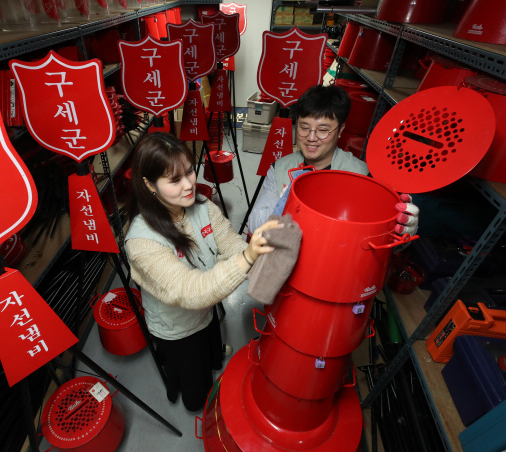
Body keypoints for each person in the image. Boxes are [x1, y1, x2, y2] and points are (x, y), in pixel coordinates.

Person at [124, 132, 280, 412]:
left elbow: (230, 242)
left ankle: (212, 358)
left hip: (207, 311)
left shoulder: (202, 206)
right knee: (196, 384)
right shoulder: (142, 241)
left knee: (211, 348)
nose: (188, 185)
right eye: (174, 180)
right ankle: (202, 407)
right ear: (149, 184)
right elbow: (190, 292)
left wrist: (254, 255)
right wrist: (247, 258)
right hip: (177, 327)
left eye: (189, 172)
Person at [247, 84, 419, 236]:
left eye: (323, 130)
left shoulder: (362, 175)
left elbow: (381, 238)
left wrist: (403, 228)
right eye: (304, 127)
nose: (311, 137)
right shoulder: (279, 168)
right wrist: (289, 201)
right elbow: (256, 226)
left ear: (340, 130)